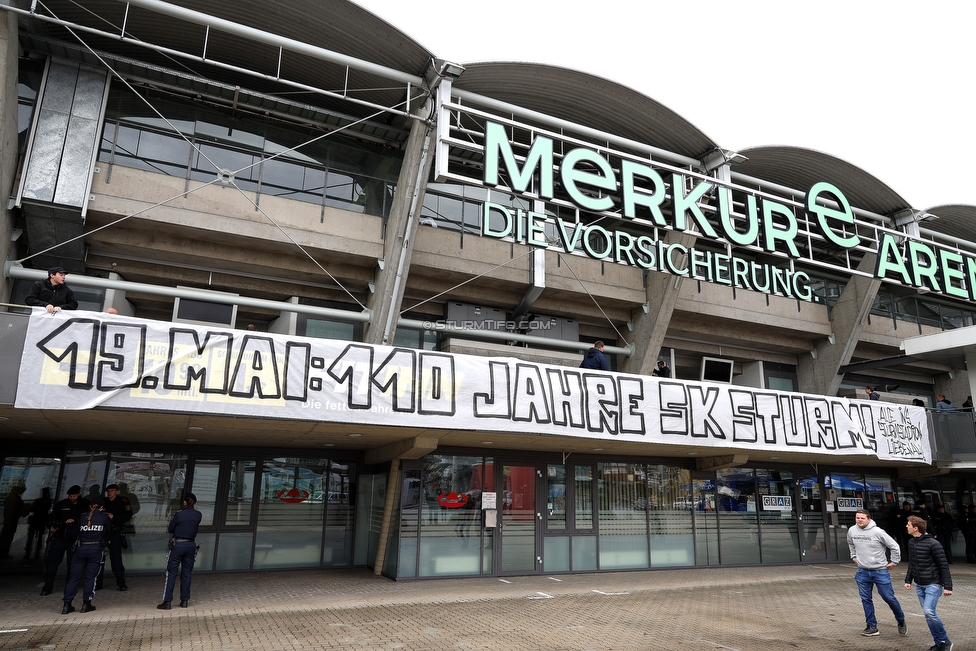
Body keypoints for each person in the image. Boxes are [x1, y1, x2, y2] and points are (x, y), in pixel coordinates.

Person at [847, 508, 907, 637]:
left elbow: (894, 546)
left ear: (869, 519)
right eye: (857, 517)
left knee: (888, 597)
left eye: (862, 518)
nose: (859, 520)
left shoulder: (878, 532)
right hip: (862, 572)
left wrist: (894, 562)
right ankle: (872, 626)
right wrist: (854, 557)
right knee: (865, 599)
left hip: (880, 571)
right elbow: (850, 544)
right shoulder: (852, 530)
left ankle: (901, 620)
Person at [904, 515, 953, 651]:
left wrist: (948, 587)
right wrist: (908, 580)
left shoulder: (933, 544)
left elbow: (943, 565)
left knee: (929, 611)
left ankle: (945, 641)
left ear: (916, 528)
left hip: (933, 583)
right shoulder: (911, 542)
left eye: (908, 525)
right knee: (928, 615)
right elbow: (912, 563)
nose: (906, 527)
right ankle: (939, 644)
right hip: (919, 585)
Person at [61, 497, 111, 614]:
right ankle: (86, 604)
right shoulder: (104, 517)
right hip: (95, 549)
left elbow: (73, 533)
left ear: (90, 506)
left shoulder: (82, 517)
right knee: (91, 577)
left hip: (81, 549)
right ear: (102, 507)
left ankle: (66, 605)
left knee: (74, 578)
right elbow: (109, 532)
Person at [41, 485, 89, 596]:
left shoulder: (85, 504)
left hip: (75, 538)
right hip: (60, 537)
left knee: (73, 564)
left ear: (79, 494)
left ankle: (70, 587)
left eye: (74, 495)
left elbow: (88, 517)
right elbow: (51, 518)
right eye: (70, 496)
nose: (72, 497)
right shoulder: (61, 504)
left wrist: (75, 520)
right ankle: (47, 586)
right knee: (52, 562)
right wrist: (51, 526)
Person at [158, 492, 202, 610]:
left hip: (178, 545)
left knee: (171, 572)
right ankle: (184, 601)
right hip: (191, 545)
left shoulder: (179, 514)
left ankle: (167, 602)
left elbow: (170, 528)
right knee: (187, 573)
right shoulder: (198, 515)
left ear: (185, 502)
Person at [95, 484, 131, 591]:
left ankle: (121, 582)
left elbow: (128, 515)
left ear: (117, 491)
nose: (109, 493)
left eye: (112, 490)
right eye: (108, 491)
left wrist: (113, 516)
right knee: (99, 559)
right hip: (102, 533)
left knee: (116, 559)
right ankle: (98, 582)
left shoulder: (122, 501)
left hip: (115, 532)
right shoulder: (103, 501)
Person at [0, 485, 30, 558]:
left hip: (8, 520)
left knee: (4, 536)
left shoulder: (9, 498)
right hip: (12, 521)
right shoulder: (17, 500)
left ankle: (3, 552)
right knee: (8, 537)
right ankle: (4, 553)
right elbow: (23, 512)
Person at [25, 487, 53, 560]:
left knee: (32, 538)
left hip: (36, 521)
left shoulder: (39, 501)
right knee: (38, 537)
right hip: (41, 521)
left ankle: (29, 553)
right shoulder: (47, 501)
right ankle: (35, 553)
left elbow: (33, 508)